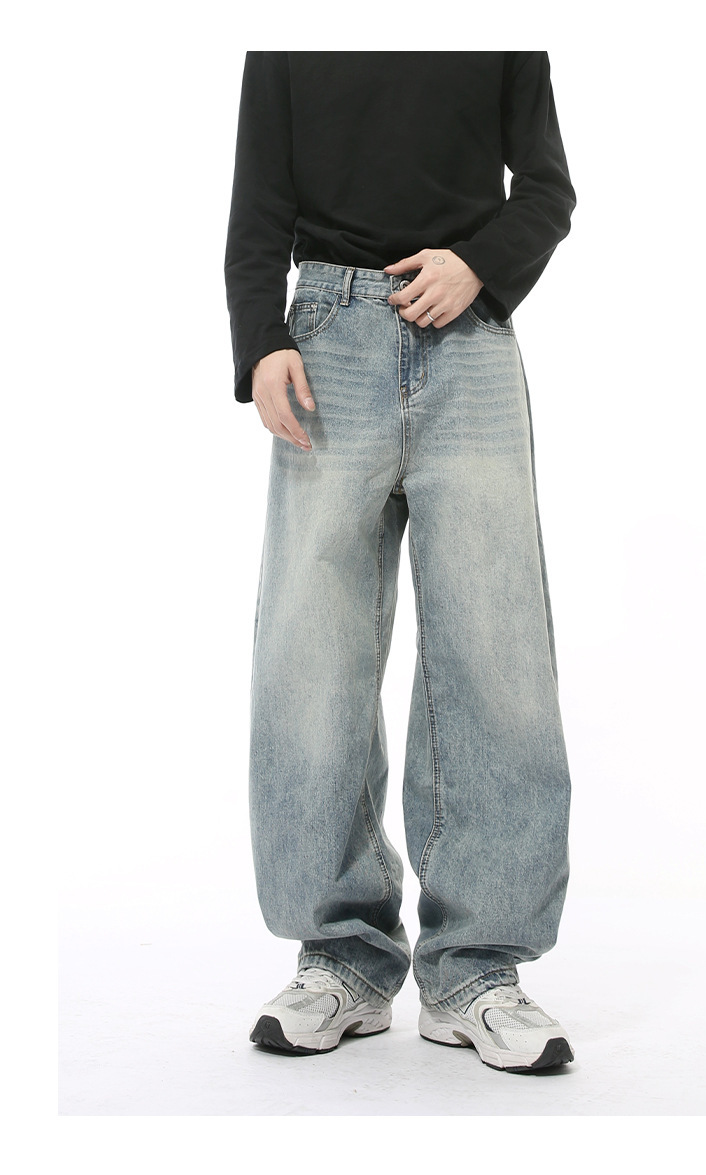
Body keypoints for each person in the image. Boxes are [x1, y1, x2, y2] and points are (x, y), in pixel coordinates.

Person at [224, 50, 577, 1074]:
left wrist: (481, 262)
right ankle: (340, 955)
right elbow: (258, 201)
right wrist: (261, 337)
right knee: (312, 655)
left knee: (497, 655)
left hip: (468, 335)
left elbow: (547, 188)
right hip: (326, 339)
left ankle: (477, 967)